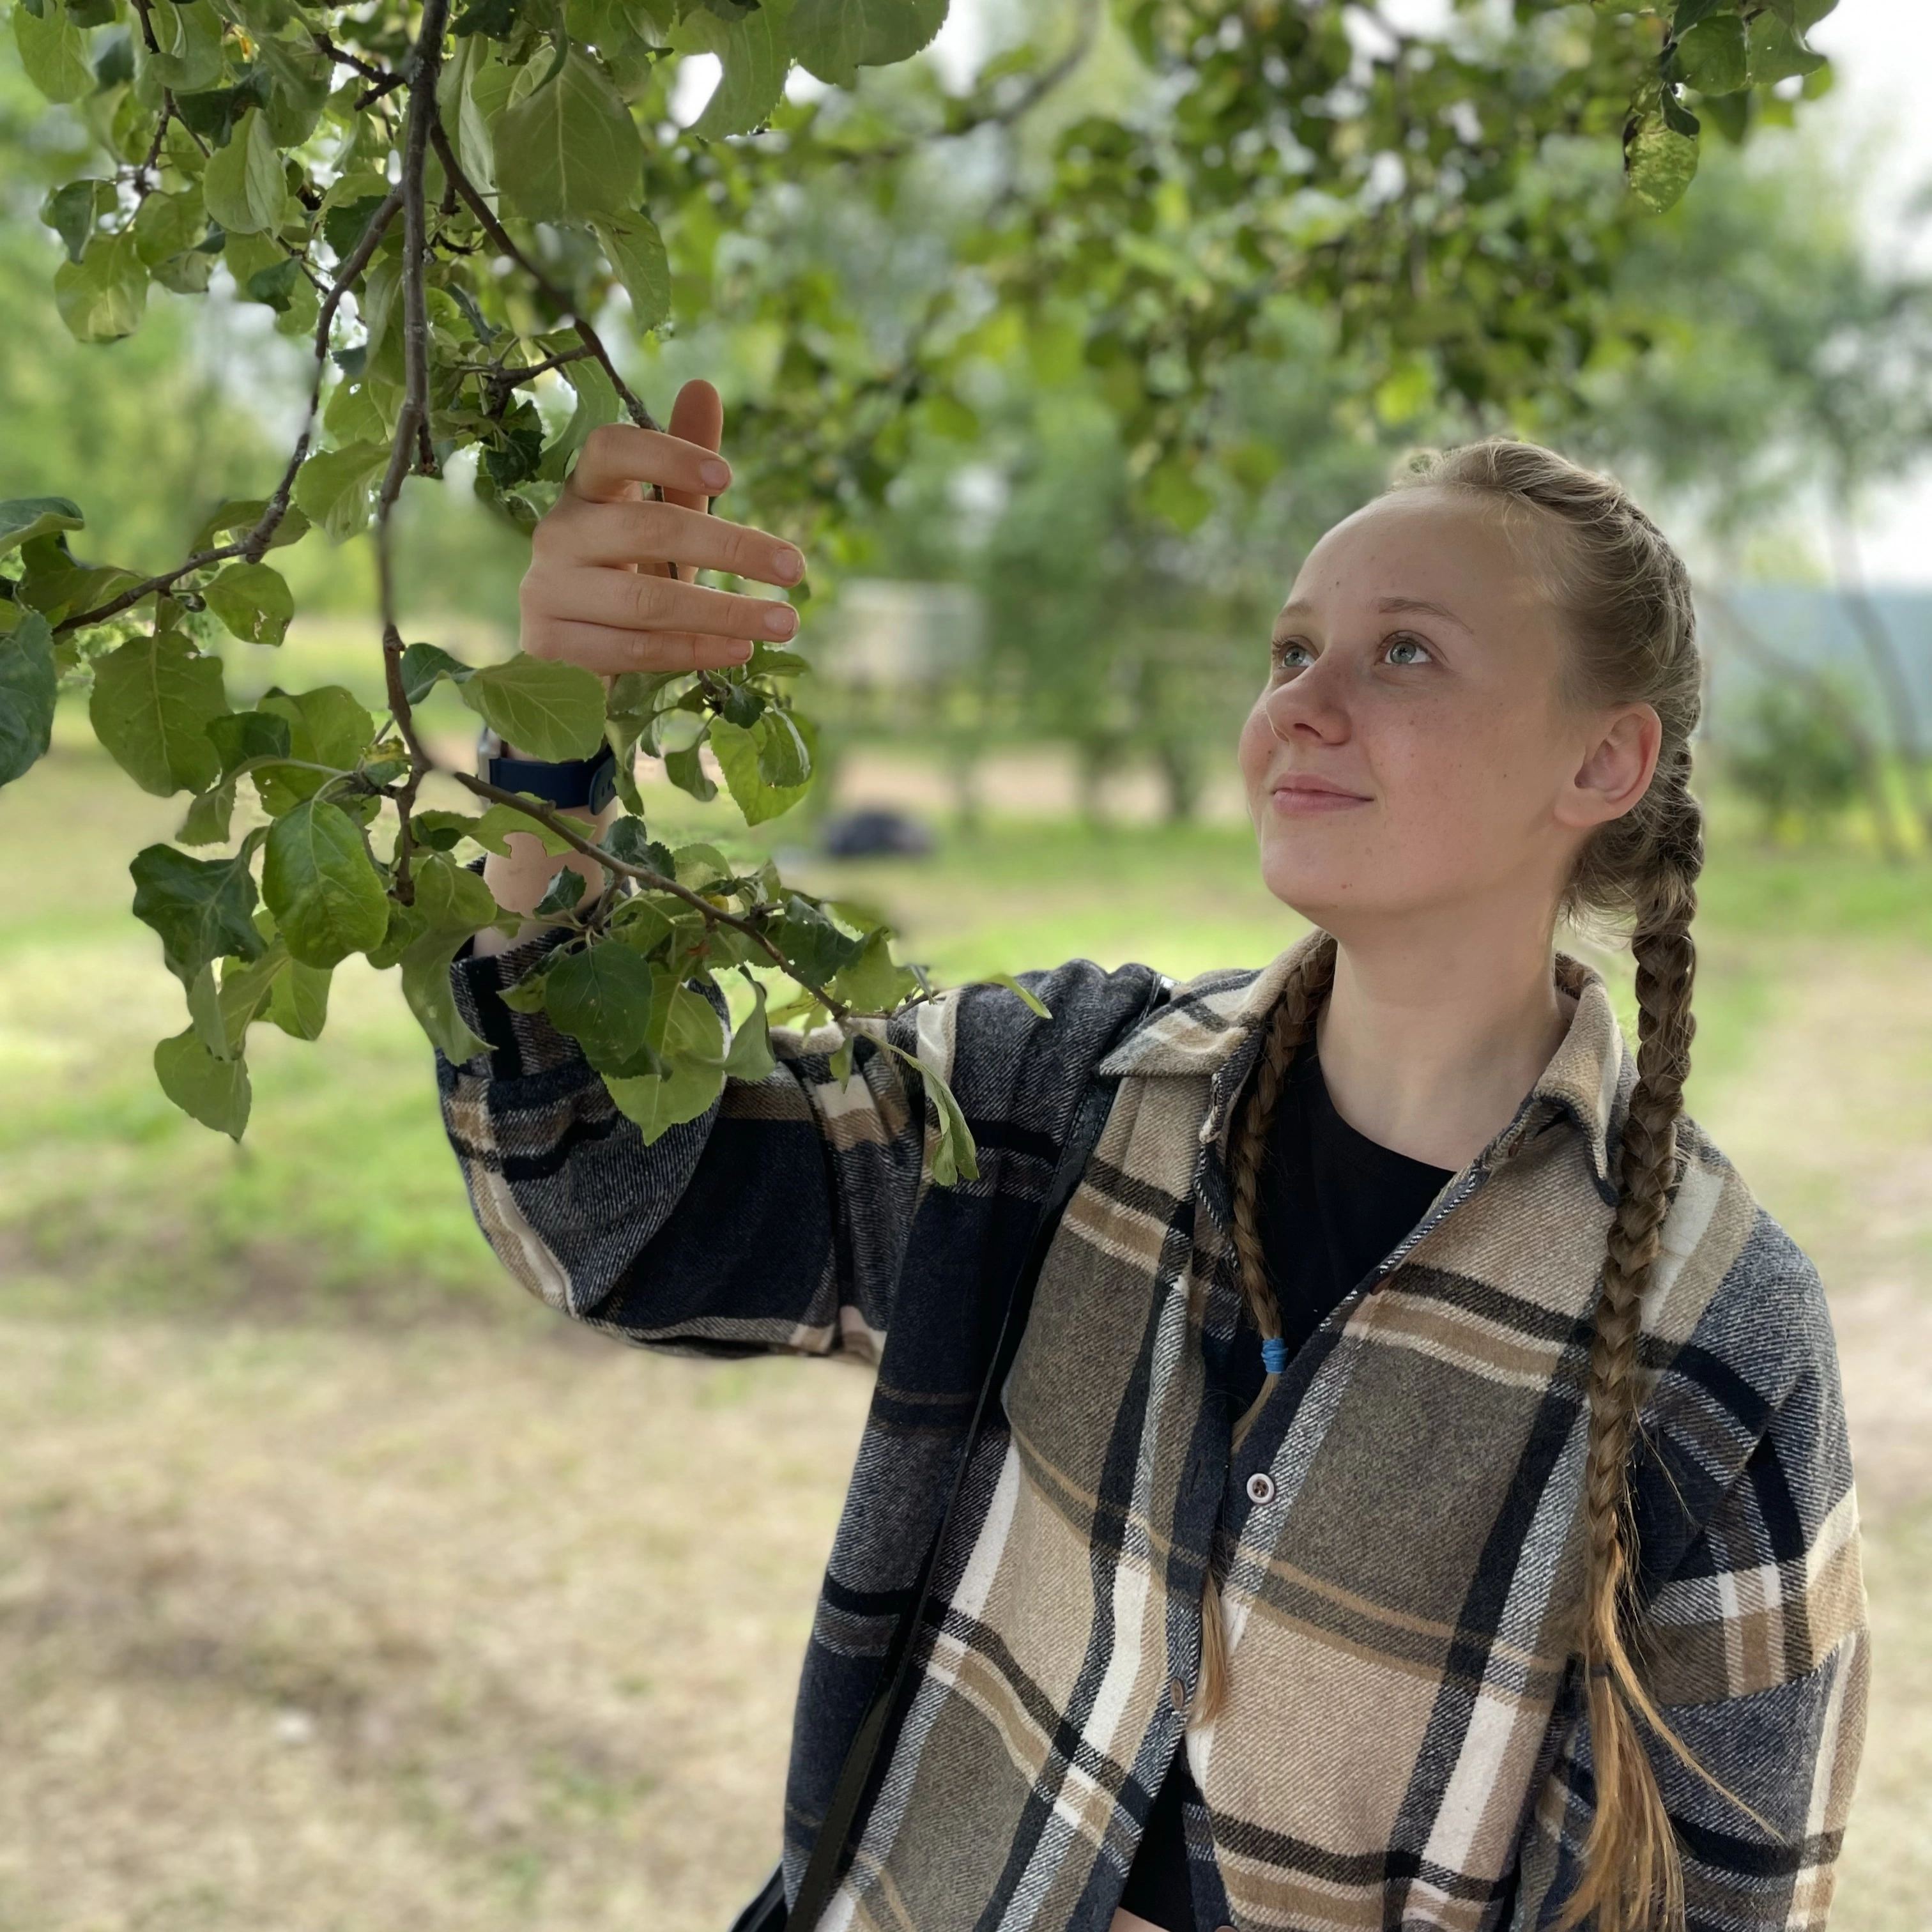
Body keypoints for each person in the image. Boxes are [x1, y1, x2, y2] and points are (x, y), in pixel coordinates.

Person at [441, 380, 1869, 1932]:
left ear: (1600, 765)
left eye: (1405, 651)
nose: (1304, 705)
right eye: (1290, 651)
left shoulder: (1720, 1339)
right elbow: (603, 1207)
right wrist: (555, 732)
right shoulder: (1048, 1095)